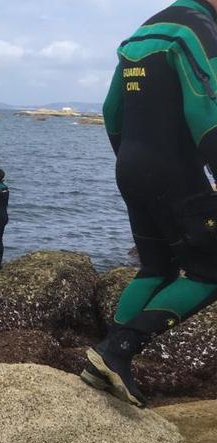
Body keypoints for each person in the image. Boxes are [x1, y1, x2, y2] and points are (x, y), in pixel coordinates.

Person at [80, 0, 217, 407]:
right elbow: (205, 109)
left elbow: (111, 110)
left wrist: (130, 158)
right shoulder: (196, 30)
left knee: (156, 265)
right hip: (173, 168)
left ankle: (103, 361)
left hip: (132, 165)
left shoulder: (139, 35)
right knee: (209, 271)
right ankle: (117, 351)